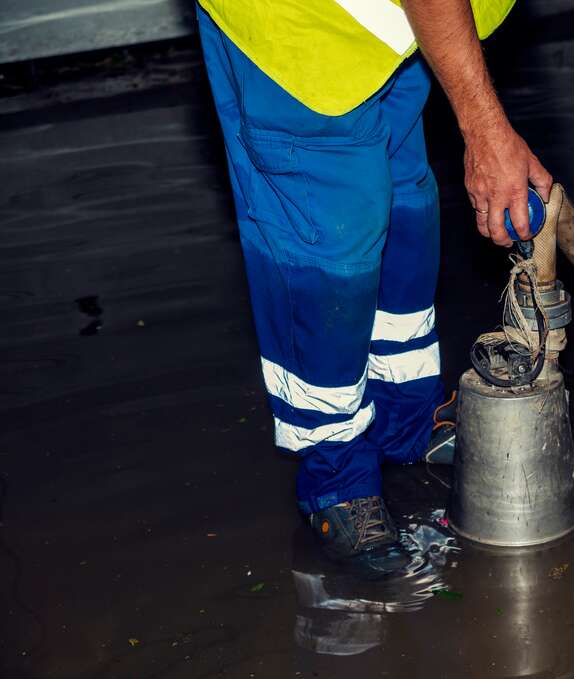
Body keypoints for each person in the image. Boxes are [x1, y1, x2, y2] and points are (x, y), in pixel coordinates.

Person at [195, 0, 552, 569]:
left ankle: (404, 423)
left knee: (404, 202)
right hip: (299, 33)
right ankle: (335, 476)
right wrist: (486, 128)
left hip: (390, 28)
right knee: (327, 243)